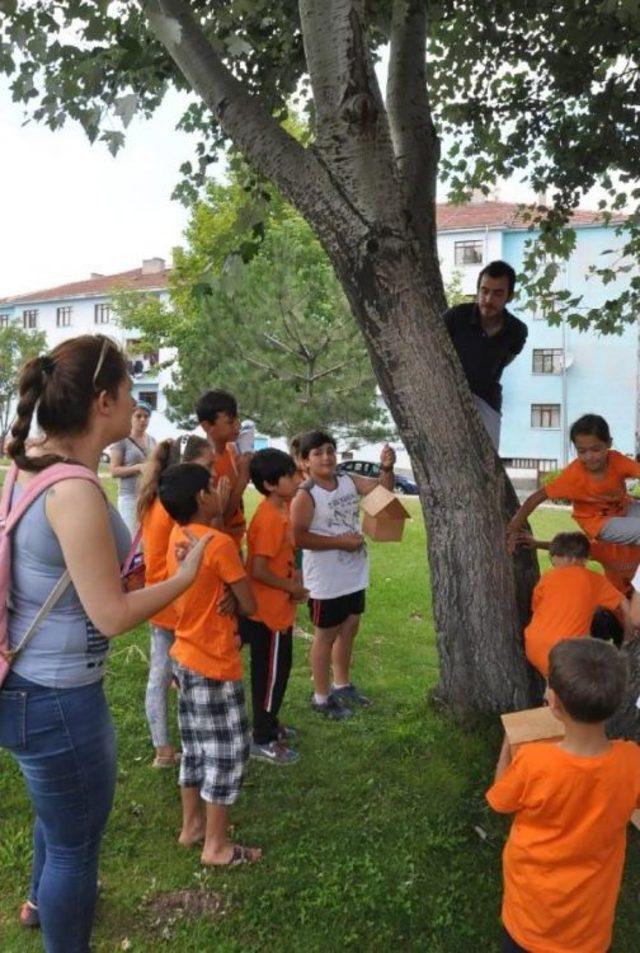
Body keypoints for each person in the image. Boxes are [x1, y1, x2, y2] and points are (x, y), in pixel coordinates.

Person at [0, 335, 211, 953]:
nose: (135, 401)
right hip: (59, 701)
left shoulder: (31, 464)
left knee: (55, 813)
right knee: (75, 846)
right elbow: (112, 614)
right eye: (128, 389)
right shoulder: (76, 493)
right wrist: (183, 579)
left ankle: (39, 900)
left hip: (21, 683)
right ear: (102, 401)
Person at [487, 638, 640, 953]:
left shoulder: (533, 762)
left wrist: (508, 744)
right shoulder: (632, 761)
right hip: (589, 926)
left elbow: (500, 800)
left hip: (529, 918)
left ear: (553, 703)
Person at [159, 463, 261, 867]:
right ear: (202, 497)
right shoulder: (217, 544)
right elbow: (250, 604)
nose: (218, 489)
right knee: (226, 751)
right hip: (213, 661)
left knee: (195, 747)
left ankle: (192, 827)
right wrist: (236, 599)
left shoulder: (176, 536)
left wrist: (228, 596)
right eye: (212, 487)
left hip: (183, 656)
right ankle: (216, 846)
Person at [290, 430, 395, 719]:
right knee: (325, 636)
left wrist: (386, 468)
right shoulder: (306, 494)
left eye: (330, 450)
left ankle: (342, 684)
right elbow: (298, 538)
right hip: (326, 578)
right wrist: (341, 542)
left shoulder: (348, 481)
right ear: (305, 462)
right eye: (318, 453)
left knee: (349, 627)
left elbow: (384, 492)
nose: (326, 457)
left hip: (353, 573)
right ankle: (321, 698)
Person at [241, 449, 308, 764]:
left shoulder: (282, 511)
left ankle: (269, 723)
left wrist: (294, 582)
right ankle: (262, 738)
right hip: (268, 615)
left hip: (279, 610)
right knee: (270, 677)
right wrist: (289, 586)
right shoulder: (268, 518)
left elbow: (283, 560)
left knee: (278, 673)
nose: (297, 479)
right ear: (270, 484)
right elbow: (257, 569)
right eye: (290, 475)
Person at [507, 414, 640, 552]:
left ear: (608, 444)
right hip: (598, 523)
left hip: (624, 508)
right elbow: (535, 498)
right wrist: (514, 528)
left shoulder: (617, 460)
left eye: (596, 449)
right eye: (582, 451)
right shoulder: (573, 476)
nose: (589, 457)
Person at [522, 531, 634, 677]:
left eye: (553, 559)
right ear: (584, 559)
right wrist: (628, 639)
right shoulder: (595, 580)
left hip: (534, 646)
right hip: (570, 654)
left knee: (554, 680)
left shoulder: (547, 577)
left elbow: (536, 608)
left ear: (569, 558)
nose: (553, 563)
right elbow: (625, 606)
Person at [444, 260, 527, 450]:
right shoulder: (456, 317)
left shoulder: (517, 331)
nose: (488, 299)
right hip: (448, 397)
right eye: (484, 290)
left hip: (487, 401)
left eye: (498, 293)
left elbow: (505, 361)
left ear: (509, 296)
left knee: (487, 464)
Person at [196, 389, 251, 551]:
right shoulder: (205, 466)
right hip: (218, 545)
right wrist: (242, 479)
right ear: (207, 426)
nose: (237, 426)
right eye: (230, 421)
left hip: (235, 540)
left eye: (237, 420)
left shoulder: (232, 451)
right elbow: (219, 518)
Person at [109, 399, 156, 533]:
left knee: (146, 542)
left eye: (146, 417)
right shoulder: (121, 440)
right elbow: (113, 471)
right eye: (138, 416)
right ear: (131, 417)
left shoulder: (152, 441)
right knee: (131, 539)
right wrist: (138, 468)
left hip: (147, 498)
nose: (142, 420)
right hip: (129, 497)